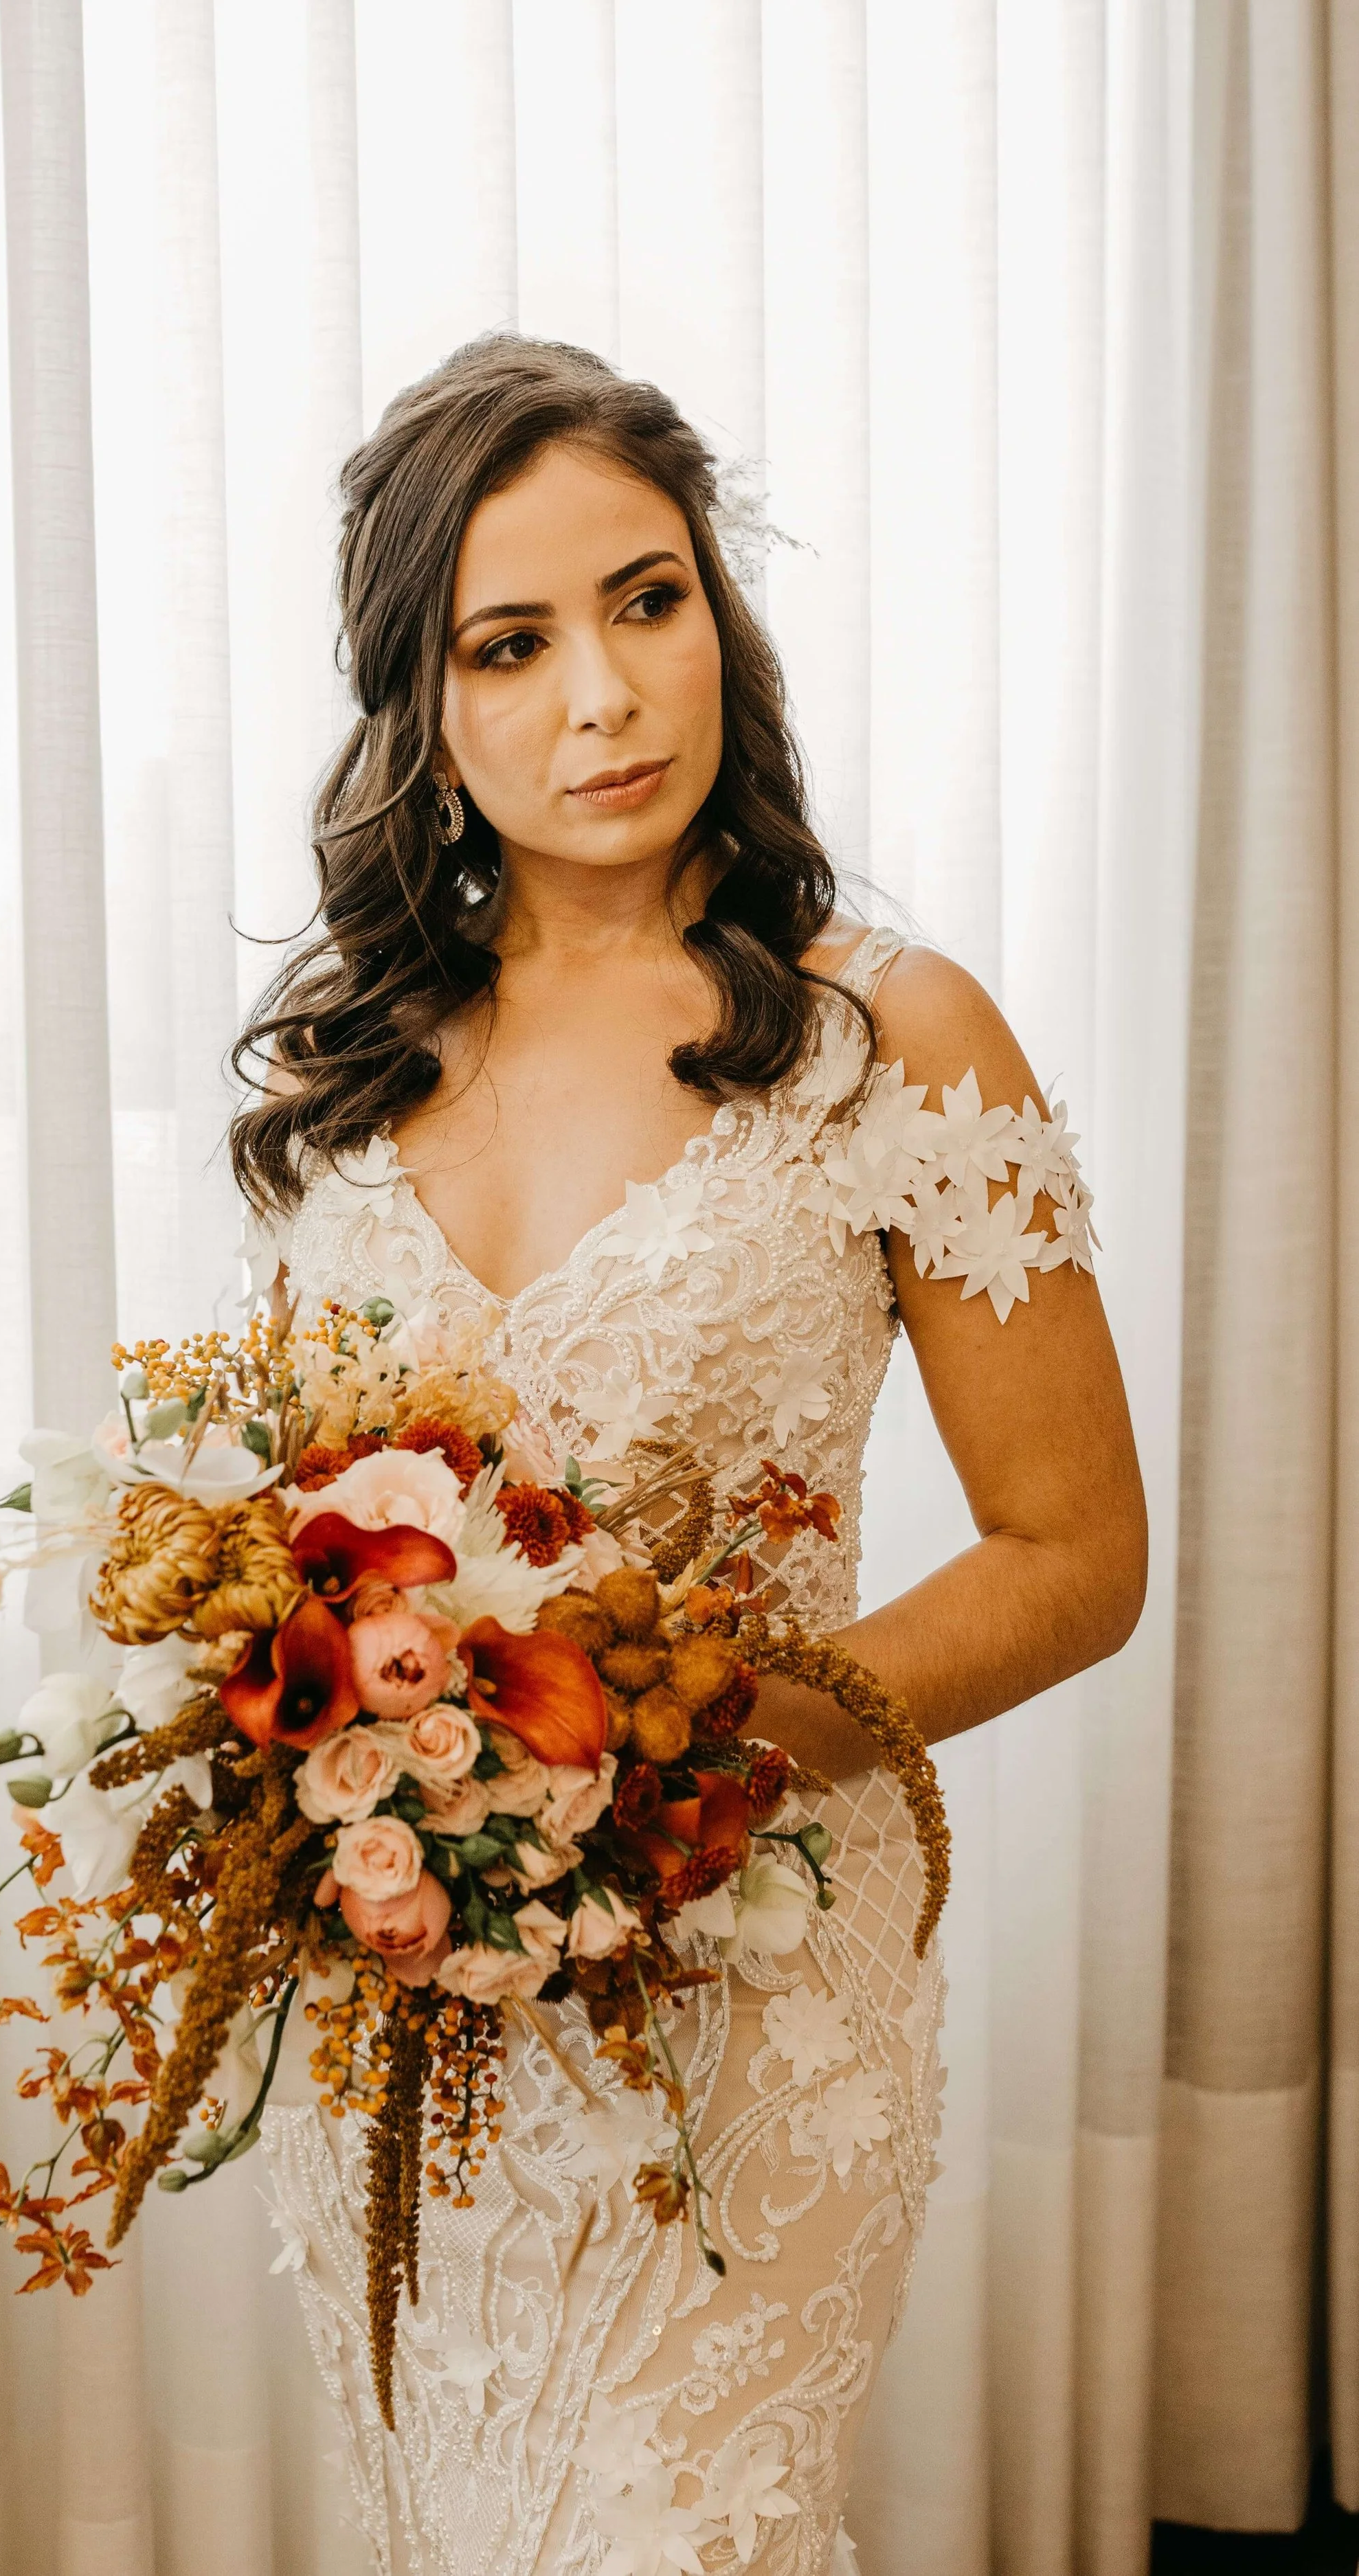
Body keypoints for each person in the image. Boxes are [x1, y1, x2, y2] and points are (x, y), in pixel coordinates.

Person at [229, 337, 1146, 2576]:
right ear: (420, 710)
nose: (607, 698)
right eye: (510, 645)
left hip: (744, 1986)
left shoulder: (875, 1037)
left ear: (718, 612)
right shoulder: (352, 1084)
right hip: (403, 2013)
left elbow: (1075, 1547)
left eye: (648, 602)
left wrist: (694, 1753)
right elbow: (303, 1553)